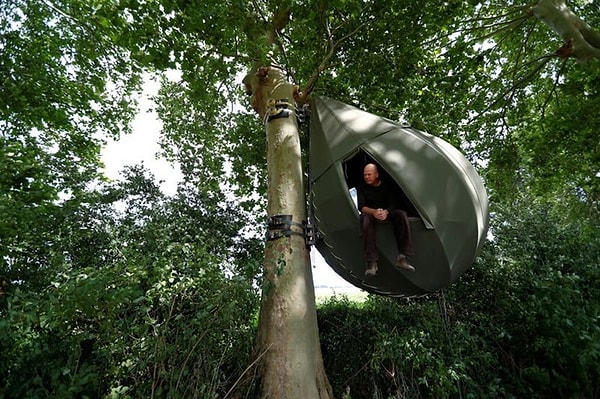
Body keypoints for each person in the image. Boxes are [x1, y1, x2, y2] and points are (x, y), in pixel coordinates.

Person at [357, 163, 415, 276]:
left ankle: (403, 257)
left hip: (387, 212)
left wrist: (385, 212)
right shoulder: (361, 188)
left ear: (377, 175)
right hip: (371, 214)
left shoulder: (387, 186)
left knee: (401, 215)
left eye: (369, 174)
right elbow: (361, 207)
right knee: (366, 221)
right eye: (365, 175)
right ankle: (371, 262)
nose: (367, 177)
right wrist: (374, 212)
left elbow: (394, 203)